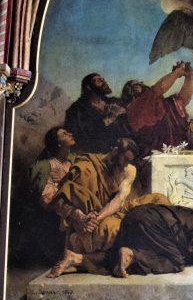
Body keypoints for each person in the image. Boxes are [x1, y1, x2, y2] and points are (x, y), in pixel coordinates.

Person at [46, 138, 171, 277]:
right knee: (122, 231)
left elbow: (119, 200)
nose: (125, 164)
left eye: (129, 161)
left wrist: (99, 218)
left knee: (160, 200)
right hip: (90, 218)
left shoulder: (129, 170)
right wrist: (81, 217)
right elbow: (62, 198)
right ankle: (81, 258)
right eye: (124, 159)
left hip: (108, 213)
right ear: (115, 150)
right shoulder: (86, 166)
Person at [12, 127, 77, 265]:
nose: (70, 134)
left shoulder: (76, 161)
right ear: (58, 143)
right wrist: (65, 183)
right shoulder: (46, 166)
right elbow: (47, 203)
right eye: (64, 134)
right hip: (55, 218)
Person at [124, 61, 193, 156]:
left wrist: (189, 76)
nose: (142, 83)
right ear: (130, 92)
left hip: (177, 153)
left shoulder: (161, 104)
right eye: (137, 84)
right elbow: (160, 87)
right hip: (155, 157)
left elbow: (183, 99)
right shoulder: (136, 107)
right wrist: (178, 71)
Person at [65, 73, 129, 153]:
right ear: (88, 87)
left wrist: (122, 111)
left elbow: (128, 115)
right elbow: (82, 136)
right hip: (96, 151)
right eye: (98, 80)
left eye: (103, 79)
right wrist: (108, 119)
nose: (104, 82)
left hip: (122, 146)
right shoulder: (77, 109)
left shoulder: (113, 101)